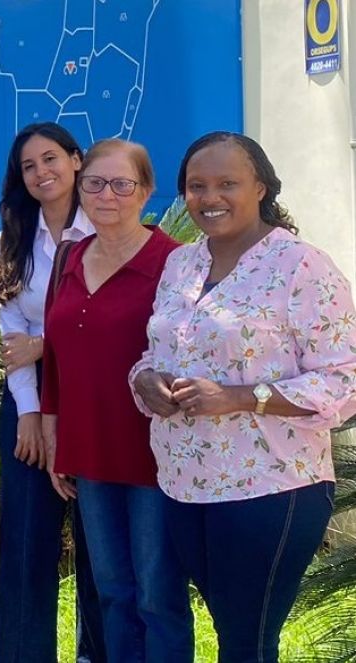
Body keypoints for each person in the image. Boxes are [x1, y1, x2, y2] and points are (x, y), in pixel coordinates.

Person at [130, 132, 356, 662]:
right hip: (184, 486)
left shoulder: (302, 266)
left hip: (270, 488)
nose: (211, 197)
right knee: (233, 631)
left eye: (227, 183)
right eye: (197, 186)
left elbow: (345, 381)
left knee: (246, 641)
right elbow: (154, 352)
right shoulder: (181, 264)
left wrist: (240, 396)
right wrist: (144, 381)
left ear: (261, 187)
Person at [40, 139, 193, 662]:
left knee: (157, 596)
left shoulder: (174, 263)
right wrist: (54, 427)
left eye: (122, 184)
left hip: (153, 456)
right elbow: (56, 356)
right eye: (95, 183)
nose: (107, 194)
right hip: (90, 453)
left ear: (146, 191)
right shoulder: (71, 255)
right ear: (80, 187)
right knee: (112, 591)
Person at [0, 122, 105, 662]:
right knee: (27, 547)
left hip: (99, 410)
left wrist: (44, 344)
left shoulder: (108, 224)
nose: (42, 172)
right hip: (29, 408)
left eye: (51, 158)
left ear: (78, 161)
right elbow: (13, 342)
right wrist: (31, 413)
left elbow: (110, 326)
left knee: (100, 550)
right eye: (29, 166)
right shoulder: (14, 233)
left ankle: (97, 654)